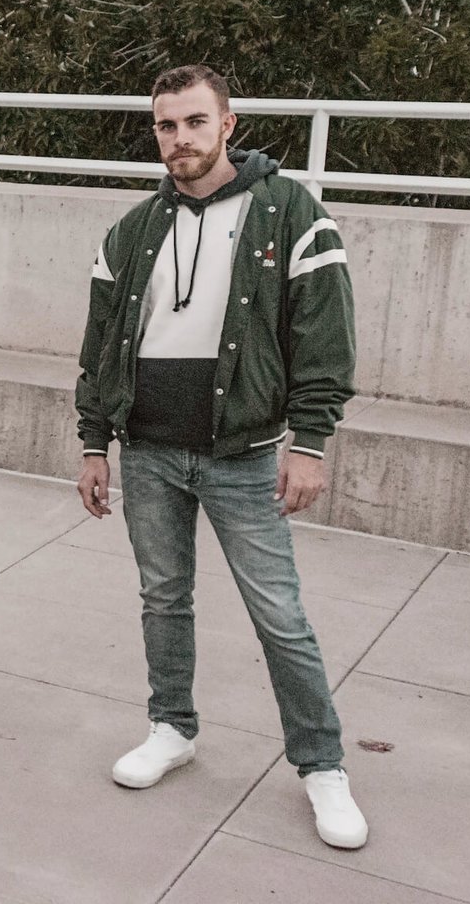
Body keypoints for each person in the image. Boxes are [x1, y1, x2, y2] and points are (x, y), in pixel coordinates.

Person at [74, 64, 367, 849]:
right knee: (163, 598)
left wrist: (309, 443)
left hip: (243, 453)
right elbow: (100, 346)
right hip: (151, 453)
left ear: (228, 123)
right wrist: (92, 441)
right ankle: (172, 726)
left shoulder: (289, 212)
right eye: (167, 126)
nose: (180, 140)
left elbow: (325, 338)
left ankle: (322, 765)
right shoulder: (134, 229)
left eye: (195, 122)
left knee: (280, 614)